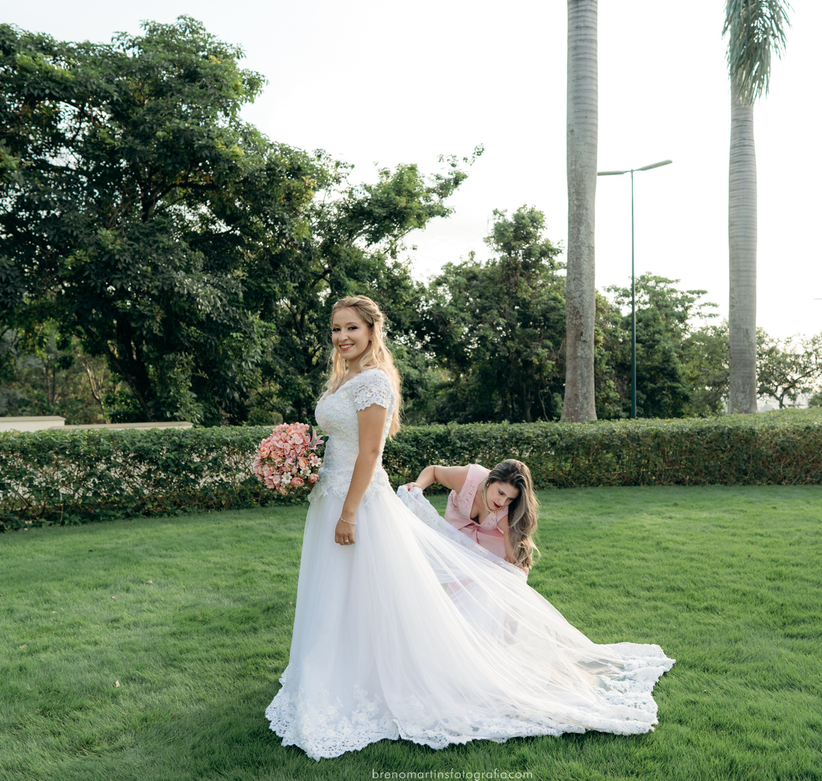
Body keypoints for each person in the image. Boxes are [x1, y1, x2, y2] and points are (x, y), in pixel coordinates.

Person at [265, 295, 675, 761]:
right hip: (330, 495)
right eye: (336, 329)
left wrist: (349, 512)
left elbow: (370, 454)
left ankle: (376, 678)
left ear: (372, 332)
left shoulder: (375, 382)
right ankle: (337, 668)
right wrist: (294, 457)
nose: (341, 337)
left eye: (351, 328)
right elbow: (339, 442)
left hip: (356, 503)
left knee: (365, 587)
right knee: (339, 589)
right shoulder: (345, 378)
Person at [405, 460, 539, 572]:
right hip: (457, 528)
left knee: (490, 581)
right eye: (501, 493)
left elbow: (516, 562)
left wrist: (519, 582)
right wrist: (418, 485)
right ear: (490, 480)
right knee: (458, 576)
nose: (502, 502)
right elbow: (434, 471)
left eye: (510, 498)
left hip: (489, 542)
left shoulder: (505, 513)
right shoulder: (467, 478)